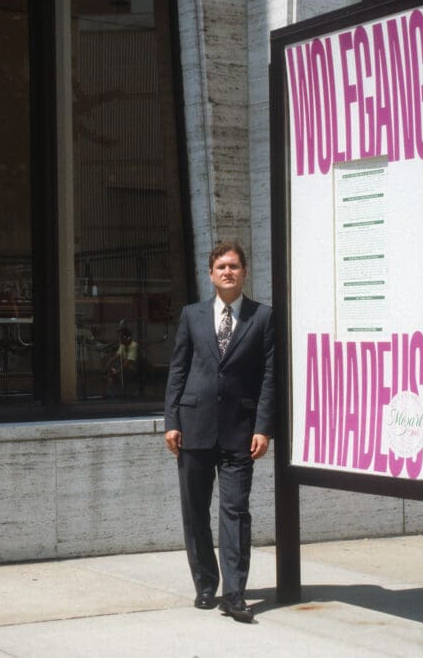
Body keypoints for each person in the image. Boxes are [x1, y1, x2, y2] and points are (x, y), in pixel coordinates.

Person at [164, 240, 275, 623]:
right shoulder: (192, 315)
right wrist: (172, 421)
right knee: (195, 511)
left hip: (240, 433)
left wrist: (263, 427)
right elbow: (178, 370)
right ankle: (206, 585)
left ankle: (235, 593)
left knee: (235, 511)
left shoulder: (263, 317)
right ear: (210, 274)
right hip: (193, 428)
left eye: (234, 266)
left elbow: (269, 378)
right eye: (221, 267)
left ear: (244, 272)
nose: (227, 272)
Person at [104, 326, 138, 396]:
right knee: (111, 371)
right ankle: (109, 392)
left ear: (127, 337)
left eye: (121, 337)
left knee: (118, 373)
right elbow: (116, 356)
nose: (119, 339)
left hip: (134, 368)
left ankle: (122, 392)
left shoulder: (134, 345)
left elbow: (128, 362)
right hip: (126, 366)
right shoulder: (123, 345)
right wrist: (107, 365)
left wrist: (117, 371)